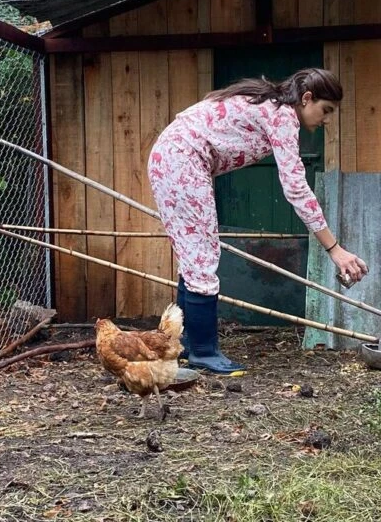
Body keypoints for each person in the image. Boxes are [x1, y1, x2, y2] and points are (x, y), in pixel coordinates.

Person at [147, 67, 367, 374]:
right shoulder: (282, 115)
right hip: (182, 160)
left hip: (173, 157)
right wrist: (335, 249)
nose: (327, 120)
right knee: (201, 257)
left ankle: (184, 343)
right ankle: (203, 351)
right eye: (326, 110)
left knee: (195, 256)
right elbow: (296, 188)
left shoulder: (270, 104)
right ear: (306, 98)